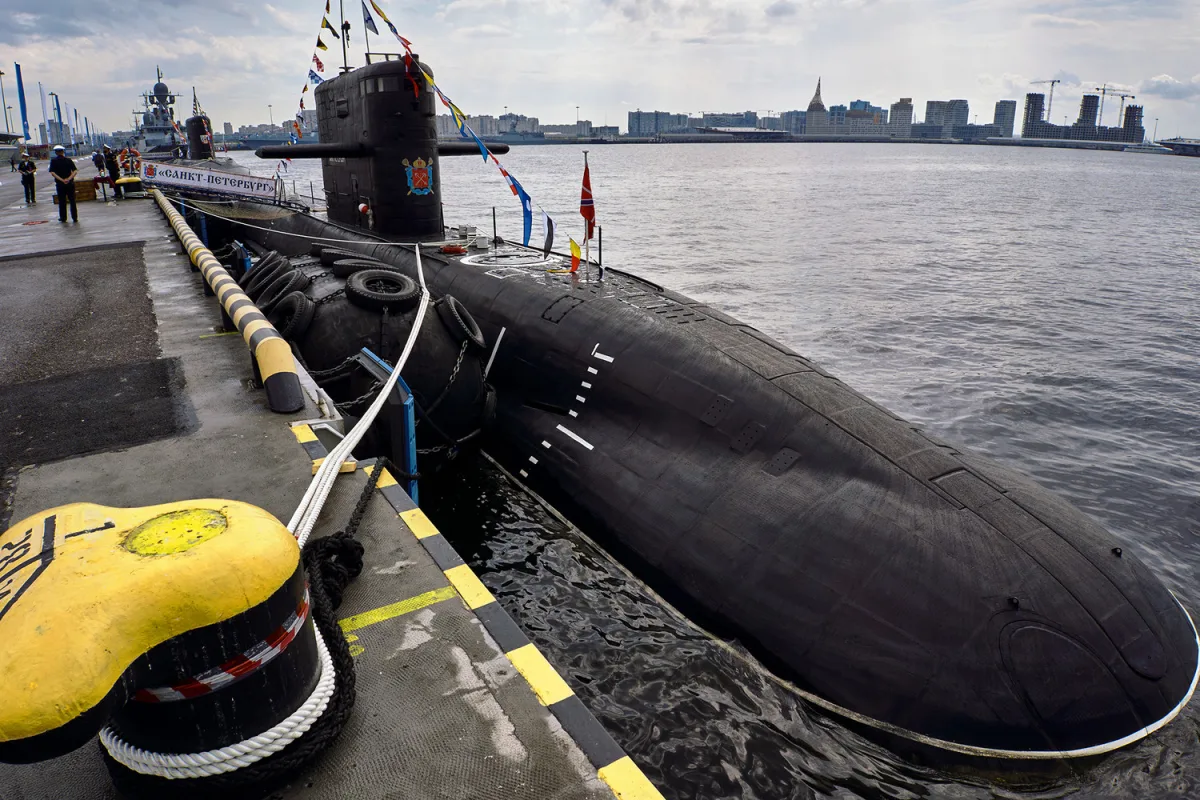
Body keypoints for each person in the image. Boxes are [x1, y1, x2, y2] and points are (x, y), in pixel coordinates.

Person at [49, 145, 78, 223]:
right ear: (63, 152)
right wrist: (68, 179)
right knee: (72, 201)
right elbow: (75, 171)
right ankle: (74, 217)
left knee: (62, 201)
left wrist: (62, 180)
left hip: (60, 184)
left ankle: (63, 217)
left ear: (56, 152)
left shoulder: (54, 161)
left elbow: (52, 173)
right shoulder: (68, 160)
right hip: (70, 183)